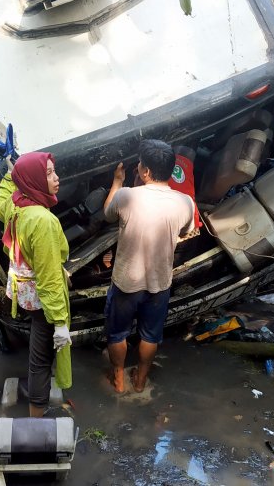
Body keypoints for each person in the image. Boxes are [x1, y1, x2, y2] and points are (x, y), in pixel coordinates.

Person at [103, 139, 194, 393]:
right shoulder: (186, 202)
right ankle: (141, 382)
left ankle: (119, 382)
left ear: (145, 172)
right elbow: (186, 232)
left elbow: (107, 214)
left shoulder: (126, 196)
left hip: (126, 283)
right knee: (150, 336)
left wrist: (118, 181)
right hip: (159, 284)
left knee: (117, 334)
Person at [0, 151, 72, 417]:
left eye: (54, 170)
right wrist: (60, 322)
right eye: (48, 173)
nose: (56, 178)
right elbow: (49, 280)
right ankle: (36, 417)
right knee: (42, 359)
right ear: (34, 180)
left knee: (39, 352)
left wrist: (9, 172)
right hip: (42, 299)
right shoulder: (43, 220)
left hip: (23, 291)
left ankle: (35, 404)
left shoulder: (16, 205)